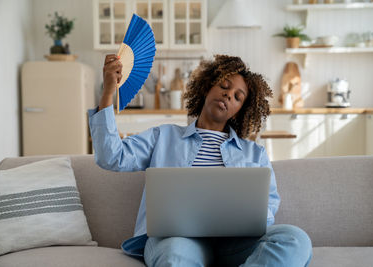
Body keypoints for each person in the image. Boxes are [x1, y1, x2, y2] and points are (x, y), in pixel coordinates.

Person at [88, 54, 312, 267]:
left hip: (235, 244)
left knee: (295, 239)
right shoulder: (163, 137)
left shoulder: (255, 153)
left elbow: (268, 208)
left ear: (238, 111)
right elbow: (111, 157)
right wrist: (108, 92)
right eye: (224, 86)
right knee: (175, 256)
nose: (228, 95)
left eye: (237, 97)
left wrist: (242, 218)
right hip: (178, 240)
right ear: (207, 87)